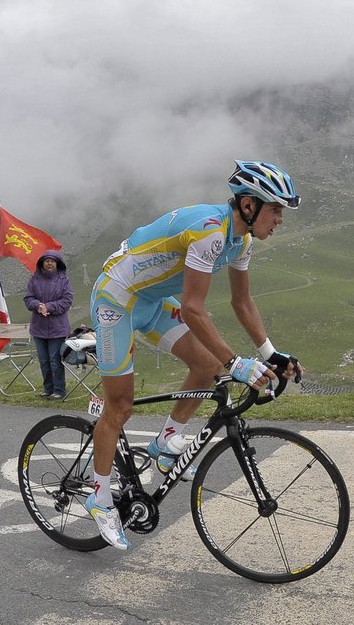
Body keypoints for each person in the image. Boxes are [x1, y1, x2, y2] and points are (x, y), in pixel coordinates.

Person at [84, 160, 304, 550]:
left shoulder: (242, 241)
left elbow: (242, 300)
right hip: (115, 300)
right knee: (119, 406)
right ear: (250, 206)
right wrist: (237, 363)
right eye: (276, 209)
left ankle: (166, 443)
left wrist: (270, 354)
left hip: (148, 300)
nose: (281, 219)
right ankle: (99, 499)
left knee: (206, 367)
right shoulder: (209, 233)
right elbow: (193, 309)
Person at [23, 250, 74, 400]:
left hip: (57, 328)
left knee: (55, 360)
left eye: (53, 261)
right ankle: (47, 389)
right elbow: (27, 297)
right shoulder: (34, 280)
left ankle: (59, 390)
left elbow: (67, 300)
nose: (50, 263)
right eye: (47, 261)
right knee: (44, 360)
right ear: (42, 263)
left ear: (57, 263)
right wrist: (38, 305)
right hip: (39, 328)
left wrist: (49, 307)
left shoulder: (64, 280)